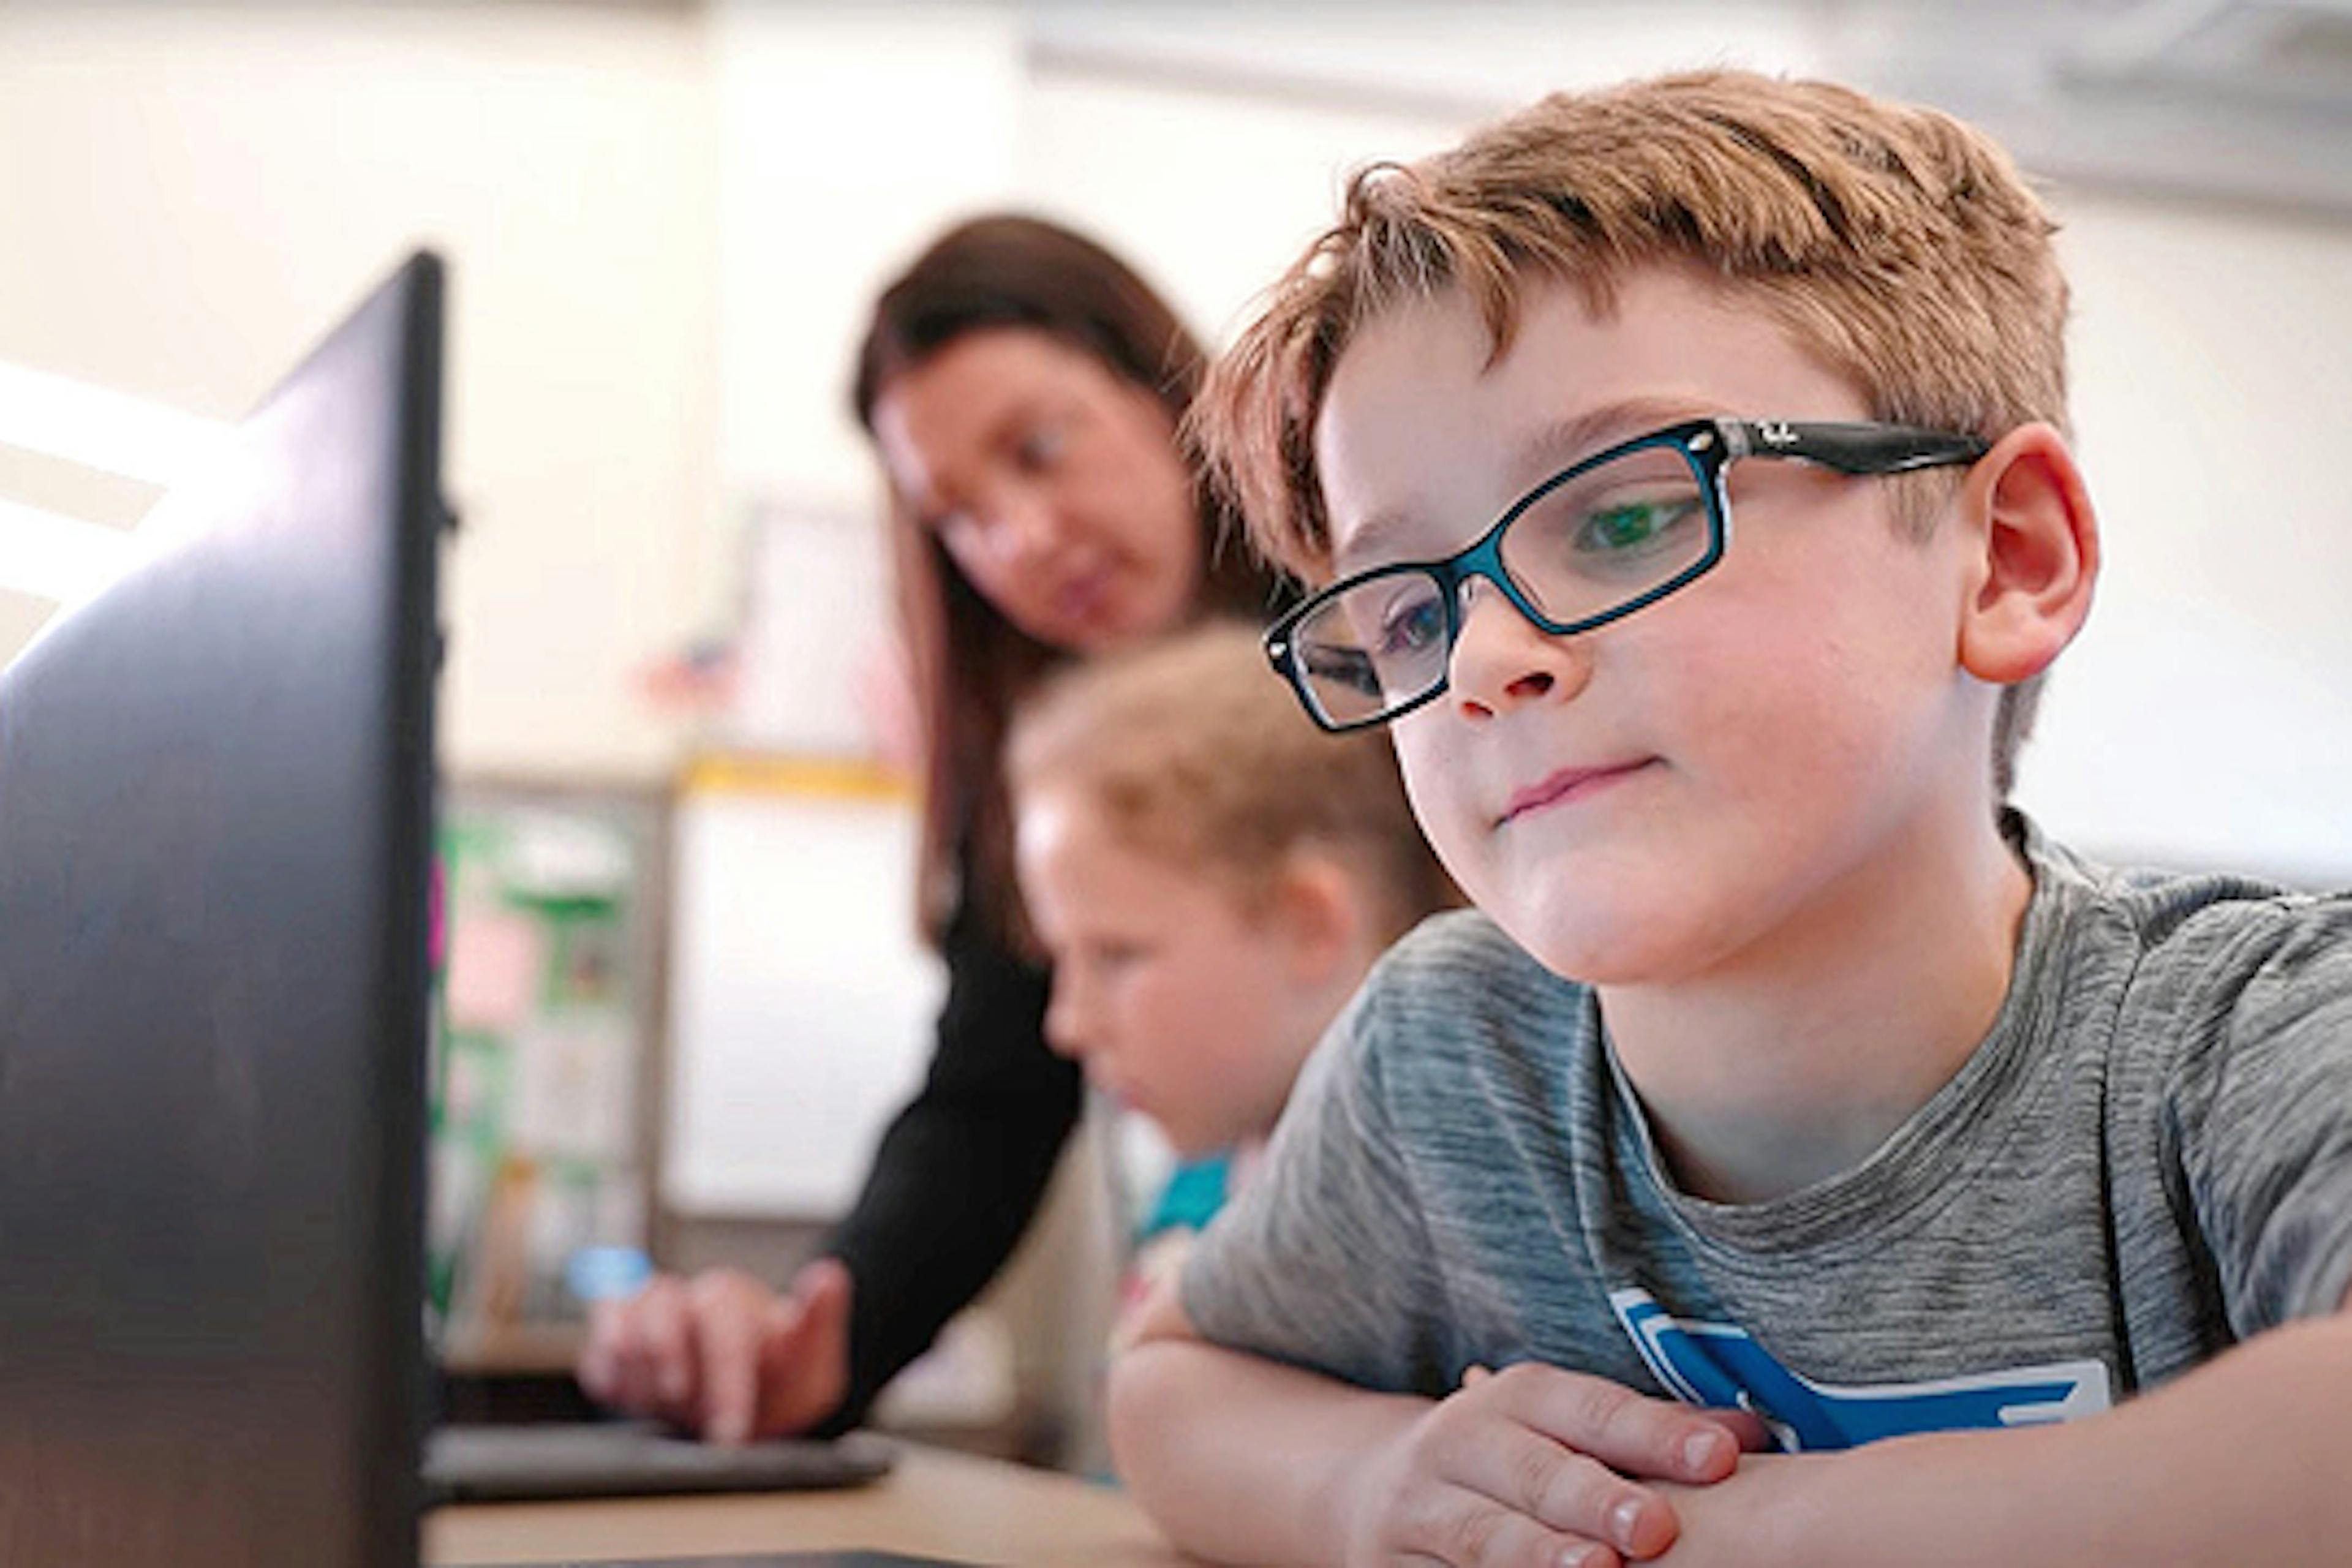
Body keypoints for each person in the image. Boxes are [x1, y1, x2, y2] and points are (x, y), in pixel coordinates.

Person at [1108, 70, 2352, 1568]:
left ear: (2007, 558)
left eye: (1622, 512)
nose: (1488, 659)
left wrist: (1752, 1533)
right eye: (1406, 612)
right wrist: (1371, 1485)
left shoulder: (2243, 1030)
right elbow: (1172, 1386)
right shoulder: (1452, 1061)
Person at [578, 215, 1284, 1443]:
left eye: (1042, 447)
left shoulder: (1387, 641)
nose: (1020, 537)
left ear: (1163, 387)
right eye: (957, 515)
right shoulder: (1037, 763)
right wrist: (817, 1338)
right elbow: (989, 1103)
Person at [1004, 624, 1456, 1343]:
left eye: (1116, 956)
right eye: (1061, 958)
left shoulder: (1448, 1226)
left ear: (1310, 923)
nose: (1069, 1022)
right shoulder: (1200, 1185)